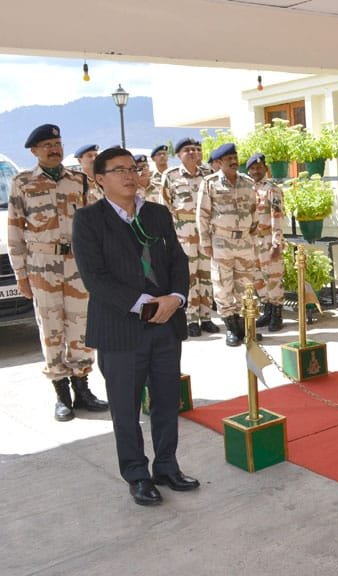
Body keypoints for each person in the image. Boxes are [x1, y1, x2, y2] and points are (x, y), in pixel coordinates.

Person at [72, 146, 198, 506]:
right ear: (100, 179)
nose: (130, 175)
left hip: (166, 325)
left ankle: (167, 466)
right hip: (120, 330)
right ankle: (137, 474)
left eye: (133, 168)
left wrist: (176, 297)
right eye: (119, 170)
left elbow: (177, 261)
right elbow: (95, 278)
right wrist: (145, 305)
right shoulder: (89, 220)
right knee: (126, 409)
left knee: (166, 401)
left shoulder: (157, 213)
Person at [7, 124, 107, 421]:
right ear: (34, 151)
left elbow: (95, 225)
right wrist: (21, 275)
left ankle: (83, 388)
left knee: (82, 327)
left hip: (78, 265)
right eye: (48, 145)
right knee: (51, 330)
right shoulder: (22, 183)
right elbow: (15, 231)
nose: (54, 149)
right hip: (42, 266)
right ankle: (62, 394)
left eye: (58, 143)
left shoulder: (79, 181)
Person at [197, 143, 263, 346]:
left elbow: (254, 211)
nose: (234, 162)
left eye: (235, 158)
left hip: (244, 241)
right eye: (229, 159)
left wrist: (253, 237)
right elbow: (202, 214)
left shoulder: (247, 182)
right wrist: (205, 242)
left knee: (245, 286)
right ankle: (232, 329)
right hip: (221, 242)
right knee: (223, 286)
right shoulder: (210, 183)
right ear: (219, 162)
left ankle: (245, 326)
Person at [160, 137, 218, 337]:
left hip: (206, 232)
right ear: (178, 155)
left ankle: (206, 316)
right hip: (183, 233)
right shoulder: (171, 176)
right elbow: (165, 206)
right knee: (189, 276)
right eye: (187, 150)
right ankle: (191, 318)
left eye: (195, 149)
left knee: (207, 275)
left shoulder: (208, 175)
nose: (193, 153)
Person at [246, 152, 285, 332]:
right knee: (257, 278)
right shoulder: (246, 189)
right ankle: (267, 310)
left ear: (266, 169)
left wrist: (277, 243)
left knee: (273, 277)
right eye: (253, 168)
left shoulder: (272, 189)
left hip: (268, 239)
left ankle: (277, 314)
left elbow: (277, 216)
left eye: (259, 168)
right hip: (252, 241)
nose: (256, 171)